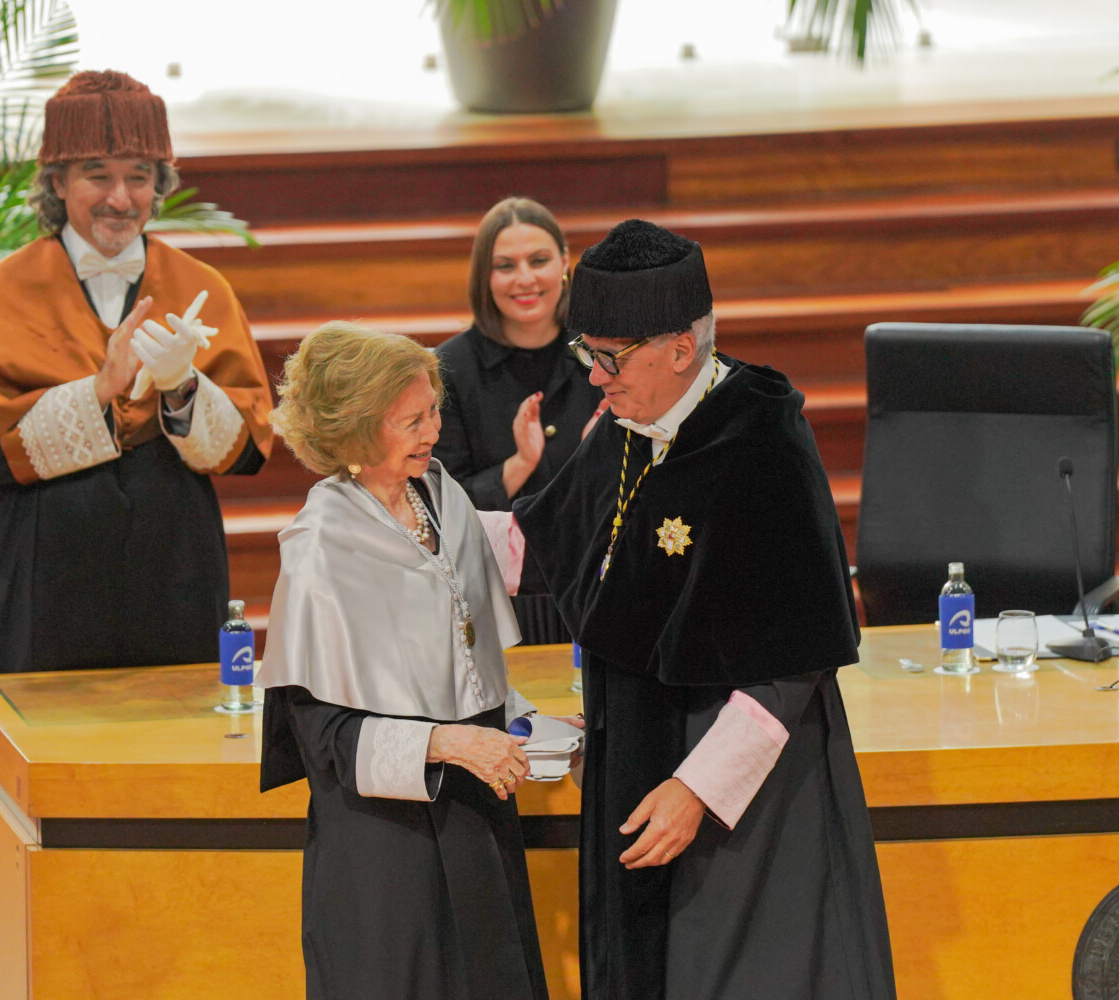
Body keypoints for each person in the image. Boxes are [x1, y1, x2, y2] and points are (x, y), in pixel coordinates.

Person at [512, 221, 897, 999]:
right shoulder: (624, 429)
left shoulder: (763, 443)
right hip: (634, 752)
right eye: (587, 353)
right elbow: (548, 549)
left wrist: (698, 789)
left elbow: (795, 660)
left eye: (608, 357)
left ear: (680, 348)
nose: (593, 377)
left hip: (740, 797)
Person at [0, 69, 273, 675]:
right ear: (59, 182)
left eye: (138, 177)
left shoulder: (204, 288)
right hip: (46, 577)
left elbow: (248, 448)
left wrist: (181, 388)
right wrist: (97, 391)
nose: (121, 197)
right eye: (98, 175)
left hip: (175, 569)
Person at [259, 322, 558, 1000]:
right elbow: (324, 737)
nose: (434, 430)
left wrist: (526, 724)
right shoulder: (320, 550)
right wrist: (449, 742)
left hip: (475, 818)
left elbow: (460, 659)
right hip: (387, 851)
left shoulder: (440, 494)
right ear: (357, 433)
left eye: (434, 412)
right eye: (412, 420)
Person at [434, 196, 604, 644]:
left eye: (540, 260)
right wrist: (519, 465)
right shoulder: (449, 369)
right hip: (492, 598)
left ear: (566, 263)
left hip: (596, 586)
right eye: (506, 265)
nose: (525, 278)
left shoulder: (603, 354)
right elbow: (435, 506)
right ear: (484, 277)